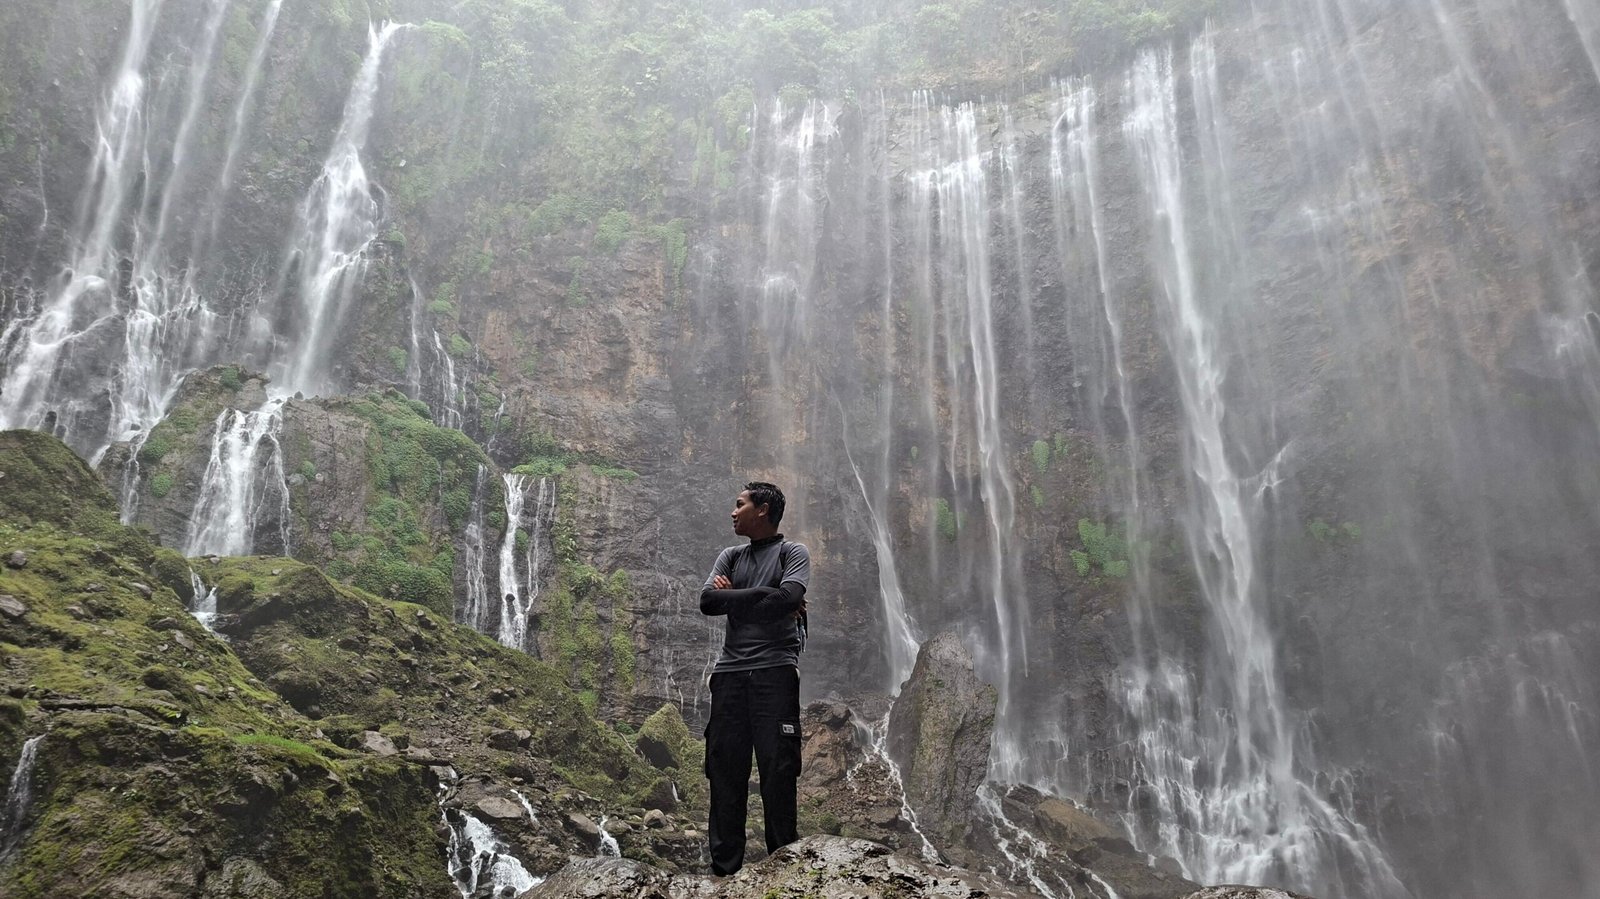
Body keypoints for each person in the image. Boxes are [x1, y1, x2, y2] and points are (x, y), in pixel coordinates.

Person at [698, 481, 810, 876]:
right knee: (725, 768)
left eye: (739, 504)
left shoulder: (792, 552)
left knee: (778, 766)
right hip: (729, 675)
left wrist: (739, 597)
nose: (733, 511)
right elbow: (708, 602)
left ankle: (785, 866)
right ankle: (724, 871)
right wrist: (764, 593)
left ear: (762, 510)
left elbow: (789, 598)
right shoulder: (729, 556)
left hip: (775, 673)